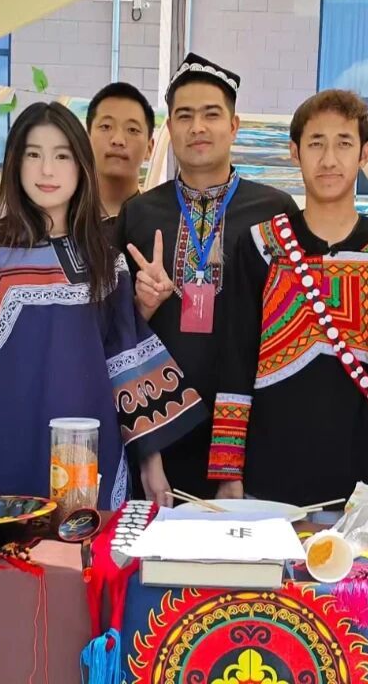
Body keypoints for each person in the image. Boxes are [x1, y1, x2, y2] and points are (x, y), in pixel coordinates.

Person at [0, 102, 204, 507]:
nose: (47, 170)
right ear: (15, 163)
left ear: (81, 167)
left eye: (62, 156)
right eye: (33, 154)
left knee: (83, 542)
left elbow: (126, 363)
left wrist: (151, 464)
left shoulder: (105, 261)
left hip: (91, 455)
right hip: (3, 447)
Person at [206, 90, 368, 506]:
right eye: (316, 143)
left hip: (367, 481)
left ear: (364, 154)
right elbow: (235, 360)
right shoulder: (259, 245)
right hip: (270, 474)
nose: (329, 159)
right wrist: (228, 471)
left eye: (344, 143)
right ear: (295, 152)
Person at [115, 53, 298, 499]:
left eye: (211, 114)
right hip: (159, 430)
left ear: (234, 126)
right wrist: (140, 306)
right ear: (170, 129)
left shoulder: (276, 211)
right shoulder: (138, 214)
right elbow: (115, 337)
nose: (197, 127)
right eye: (185, 116)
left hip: (252, 430)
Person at [87, 82, 155, 222]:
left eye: (132, 130)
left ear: (149, 148)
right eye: (106, 126)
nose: (118, 140)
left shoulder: (162, 221)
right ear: (86, 140)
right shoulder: (60, 215)